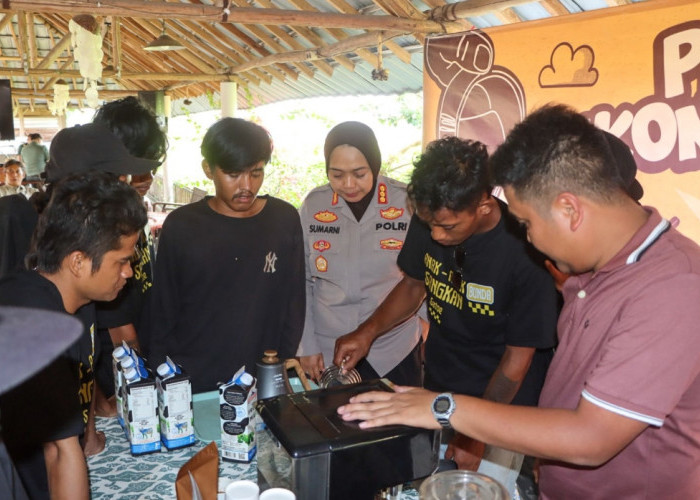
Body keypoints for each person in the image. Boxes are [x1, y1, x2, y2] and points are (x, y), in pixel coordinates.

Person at [338, 104, 700, 499]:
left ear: (569, 209)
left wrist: (445, 409)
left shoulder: (674, 287)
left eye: (527, 223)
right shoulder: (591, 275)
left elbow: (592, 438)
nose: (527, 238)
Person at [334, 136, 558, 475]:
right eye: (430, 224)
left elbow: (518, 359)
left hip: (501, 406)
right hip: (441, 387)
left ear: (484, 204)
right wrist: (367, 333)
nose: (436, 236)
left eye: (448, 226)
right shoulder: (432, 214)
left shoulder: (525, 251)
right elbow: (413, 285)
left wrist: (477, 434)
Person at [0, 171, 147, 500]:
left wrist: (91, 434)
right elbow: (59, 452)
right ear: (78, 261)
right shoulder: (36, 325)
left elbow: (78, 379)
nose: (129, 272)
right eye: (122, 262)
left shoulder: (77, 301)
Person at [147, 117, 305, 393]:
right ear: (208, 169)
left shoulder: (283, 219)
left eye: (256, 173)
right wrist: (163, 378)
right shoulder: (182, 226)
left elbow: (294, 301)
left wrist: (280, 364)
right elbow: (163, 311)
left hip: (262, 376)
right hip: (195, 379)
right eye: (233, 174)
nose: (246, 186)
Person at [297, 121, 425, 386]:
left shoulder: (406, 202)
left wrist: (426, 328)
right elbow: (301, 281)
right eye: (336, 174)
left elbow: (421, 275)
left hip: (393, 346)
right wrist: (306, 345)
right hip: (329, 351)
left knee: (399, 424)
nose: (348, 184)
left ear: (375, 166)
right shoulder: (314, 205)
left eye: (359, 173)